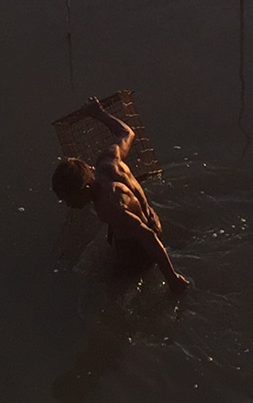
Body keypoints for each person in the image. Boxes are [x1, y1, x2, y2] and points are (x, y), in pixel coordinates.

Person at [52, 96, 190, 293]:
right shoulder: (108, 161)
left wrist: (172, 278)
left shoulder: (108, 207)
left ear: (84, 189)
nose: (68, 204)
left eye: (69, 199)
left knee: (112, 286)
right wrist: (99, 114)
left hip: (140, 247)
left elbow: (147, 236)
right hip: (153, 219)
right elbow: (127, 132)